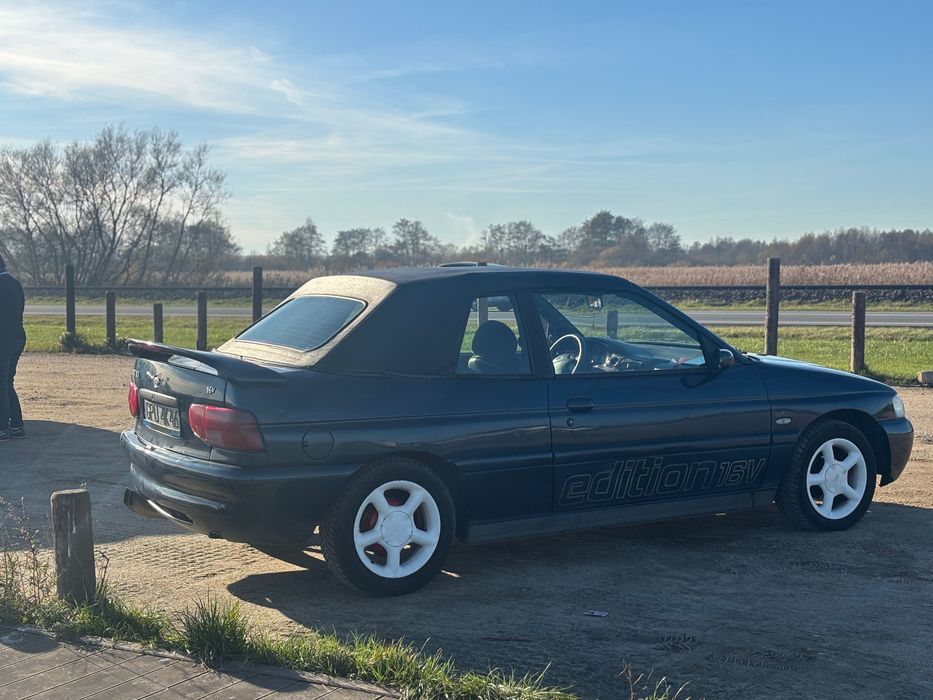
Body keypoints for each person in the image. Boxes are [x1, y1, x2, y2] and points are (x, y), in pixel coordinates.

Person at [0, 254, 26, 440]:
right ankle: (16, 424)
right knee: (7, 383)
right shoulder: (14, 283)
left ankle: (2, 428)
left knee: (1, 385)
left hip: (3, 338)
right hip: (17, 336)